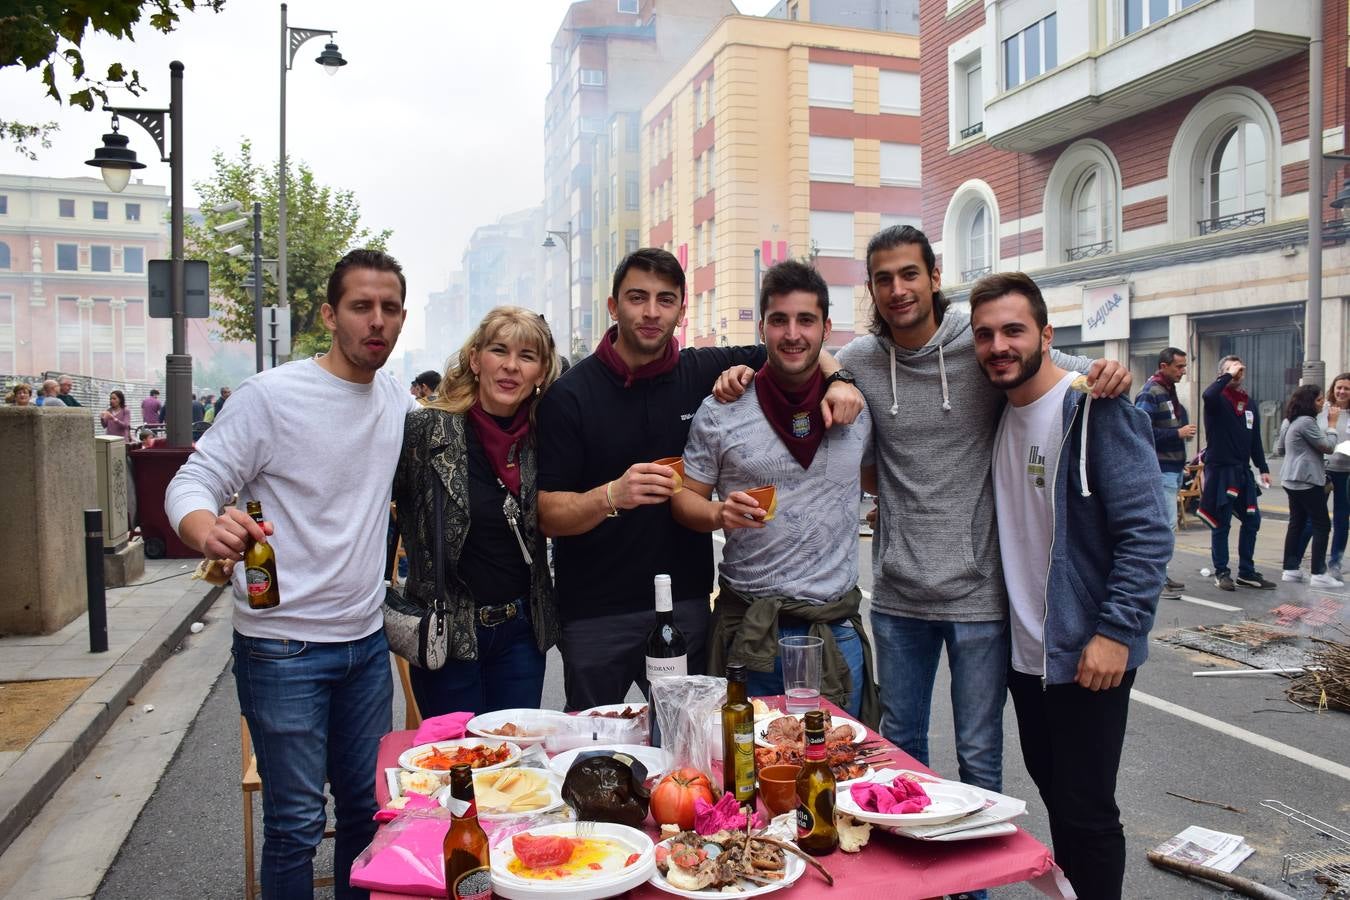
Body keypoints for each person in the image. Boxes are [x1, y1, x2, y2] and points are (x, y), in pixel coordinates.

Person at [714, 226, 1129, 803]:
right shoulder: (859, 360)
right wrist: (818, 374)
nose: (898, 289)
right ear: (871, 289)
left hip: (979, 598)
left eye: (910, 274)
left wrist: (1111, 372)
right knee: (898, 748)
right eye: (883, 279)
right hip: (898, 597)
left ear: (934, 278)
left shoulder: (983, 345)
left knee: (979, 750)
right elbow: (802, 352)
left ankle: (973, 891)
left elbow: (1060, 368)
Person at [165, 248, 412, 898]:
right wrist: (205, 528)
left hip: (364, 648)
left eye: (389, 308)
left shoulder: (392, 398)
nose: (377, 321)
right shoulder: (270, 398)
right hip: (283, 651)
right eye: (362, 306)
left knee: (368, 813)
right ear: (331, 314)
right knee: (296, 826)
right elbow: (192, 480)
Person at [536, 247, 862, 710]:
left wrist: (842, 378)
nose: (651, 312)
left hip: (686, 605)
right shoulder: (569, 395)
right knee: (596, 747)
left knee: (689, 747)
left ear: (681, 310)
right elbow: (547, 514)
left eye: (665, 300)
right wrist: (611, 495)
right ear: (613, 306)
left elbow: (798, 350)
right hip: (596, 613)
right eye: (637, 298)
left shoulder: (702, 372)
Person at [971, 272, 1168, 900]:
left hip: (1089, 653)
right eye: (985, 335)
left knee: (1087, 812)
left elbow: (1147, 532)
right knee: (1059, 798)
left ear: (1047, 335)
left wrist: (1116, 632)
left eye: (1013, 331)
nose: (998, 345)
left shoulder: (1095, 409)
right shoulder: (1002, 413)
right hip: (1030, 659)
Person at [672, 260, 878, 720]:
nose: (793, 334)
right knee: (744, 774)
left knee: (836, 777)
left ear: (826, 328)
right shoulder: (722, 408)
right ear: (762, 326)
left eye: (806, 320)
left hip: (833, 631)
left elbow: (883, 476)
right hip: (747, 627)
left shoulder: (856, 406)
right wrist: (717, 513)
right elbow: (686, 498)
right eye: (779, 320)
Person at [393, 307, 561, 715]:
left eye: (527, 356)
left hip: (521, 632)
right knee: (456, 766)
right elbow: (378, 507)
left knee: (515, 759)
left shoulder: (545, 436)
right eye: (498, 350)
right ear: (474, 359)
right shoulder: (427, 430)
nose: (510, 366)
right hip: (447, 632)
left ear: (541, 372)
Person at [1198, 356, 1276, 591]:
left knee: (1253, 520)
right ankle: (1222, 572)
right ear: (1222, 374)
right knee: (1221, 524)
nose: (1238, 374)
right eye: (1232, 370)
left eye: (1240, 369)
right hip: (1221, 471)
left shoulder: (1248, 403)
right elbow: (1208, 395)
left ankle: (1246, 572)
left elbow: (1255, 440)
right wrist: (1228, 374)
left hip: (1242, 472)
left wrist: (1263, 467)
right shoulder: (1216, 399)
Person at [1134, 347, 1195, 599]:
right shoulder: (1151, 392)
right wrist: (1177, 434)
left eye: (1184, 367)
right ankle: (1155, 579)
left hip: (1172, 468)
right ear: (1163, 366)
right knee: (1164, 526)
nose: (1182, 371)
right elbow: (1140, 431)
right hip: (1159, 469)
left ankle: (1159, 575)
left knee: (1167, 526)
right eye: (1178, 367)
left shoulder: (1168, 392)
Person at [1277, 384, 1342, 587]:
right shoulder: (1306, 422)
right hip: (1306, 480)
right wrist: (1332, 425)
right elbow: (1328, 447)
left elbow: (1279, 449)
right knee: (1322, 524)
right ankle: (1319, 573)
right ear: (1309, 402)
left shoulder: (1290, 420)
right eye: (1319, 399)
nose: (1322, 403)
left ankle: (1290, 569)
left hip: (1290, 478)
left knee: (1296, 522)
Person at [1320, 373, 1350, 576]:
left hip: (1347, 473)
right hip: (1324, 471)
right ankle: (1311, 563)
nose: (1342, 391)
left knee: (1342, 520)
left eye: (1347, 388)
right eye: (1339, 387)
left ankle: (1335, 563)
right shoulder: (1323, 409)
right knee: (1315, 518)